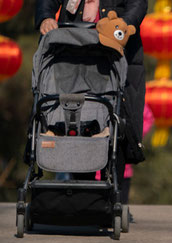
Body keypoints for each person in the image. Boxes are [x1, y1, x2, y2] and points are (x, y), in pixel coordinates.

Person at [35, 0, 148, 193]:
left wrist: (123, 25)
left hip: (116, 50)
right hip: (72, 49)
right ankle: (81, 193)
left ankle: (113, 192)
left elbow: (137, 4)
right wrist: (45, 17)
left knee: (117, 121)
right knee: (75, 116)